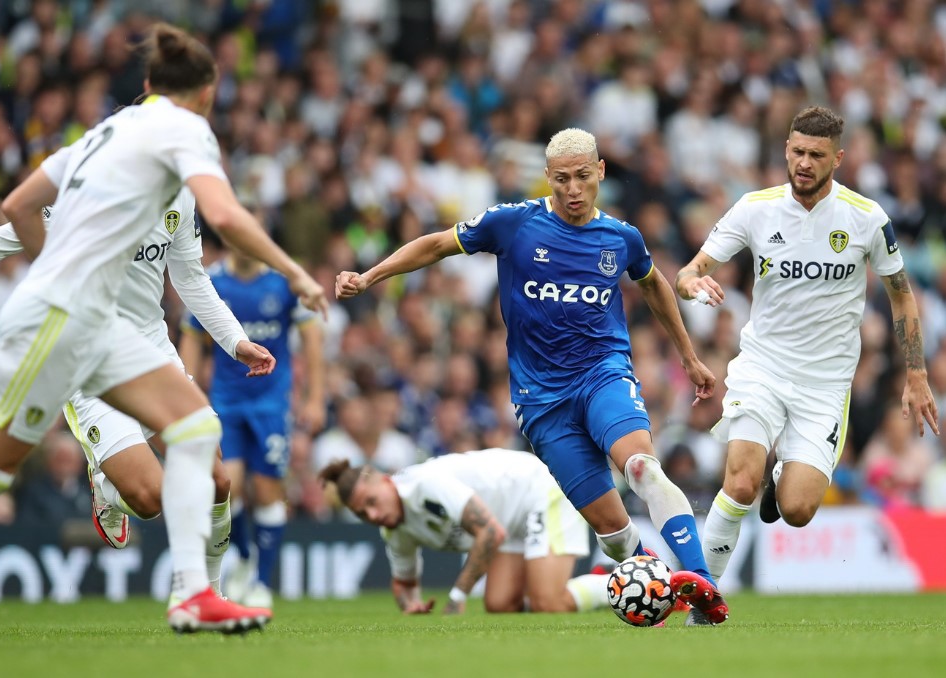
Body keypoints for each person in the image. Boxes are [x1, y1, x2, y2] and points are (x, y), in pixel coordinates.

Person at [0, 23, 327, 636]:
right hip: (62, 324)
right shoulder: (182, 132)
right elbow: (222, 213)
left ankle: (195, 593)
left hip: (129, 336)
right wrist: (296, 271)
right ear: (206, 94)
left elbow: (179, 272)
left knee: (199, 439)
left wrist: (235, 340)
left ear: (148, 85)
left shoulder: (103, 143)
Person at [336, 127, 728, 625]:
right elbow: (436, 244)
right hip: (541, 400)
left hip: (602, 373)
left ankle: (702, 586)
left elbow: (654, 286)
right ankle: (655, 579)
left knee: (641, 468)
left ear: (600, 172)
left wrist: (689, 358)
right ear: (547, 178)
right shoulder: (512, 224)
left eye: (583, 177)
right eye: (561, 179)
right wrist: (369, 277)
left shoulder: (622, 237)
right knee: (610, 529)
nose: (572, 189)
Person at [0, 186, 266, 598]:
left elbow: (192, 281)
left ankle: (210, 597)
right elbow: (4, 238)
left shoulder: (178, 195)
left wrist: (236, 342)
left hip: (153, 355)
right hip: (89, 364)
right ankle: (106, 486)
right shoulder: (91, 187)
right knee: (149, 499)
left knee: (215, 478)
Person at [676, 106, 939, 622]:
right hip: (762, 368)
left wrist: (916, 372)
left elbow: (903, 296)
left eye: (816, 155)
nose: (803, 162)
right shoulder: (756, 208)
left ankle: (782, 479)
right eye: (796, 151)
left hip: (825, 384)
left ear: (837, 159)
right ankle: (701, 606)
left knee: (796, 510)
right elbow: (693, 267)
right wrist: (689, 281)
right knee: (740, 481)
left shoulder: (866, 218)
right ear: (786, 151)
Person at [181, 244, 326, 609]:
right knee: (228, 485)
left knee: (266, 489)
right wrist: (187, 393)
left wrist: (314, 397)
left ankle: (262, 581)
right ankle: (245, 559)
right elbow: (192, 340)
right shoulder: (211, 281)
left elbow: (311, 339)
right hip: (226, 401)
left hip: (271, 403)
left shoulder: (282, 283)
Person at [319, 449, 610, 615]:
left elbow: (489, 534)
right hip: (507, 520)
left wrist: (458, 596)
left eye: (371, 502)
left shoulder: (425, 485)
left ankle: (614, 586)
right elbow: (404, 582)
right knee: (499, 605)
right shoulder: (393, 528)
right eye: (361, 513)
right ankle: (577, 588)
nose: (372, 515)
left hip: (539, 488)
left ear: (385, 481)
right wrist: (412, 604)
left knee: (548, 602)